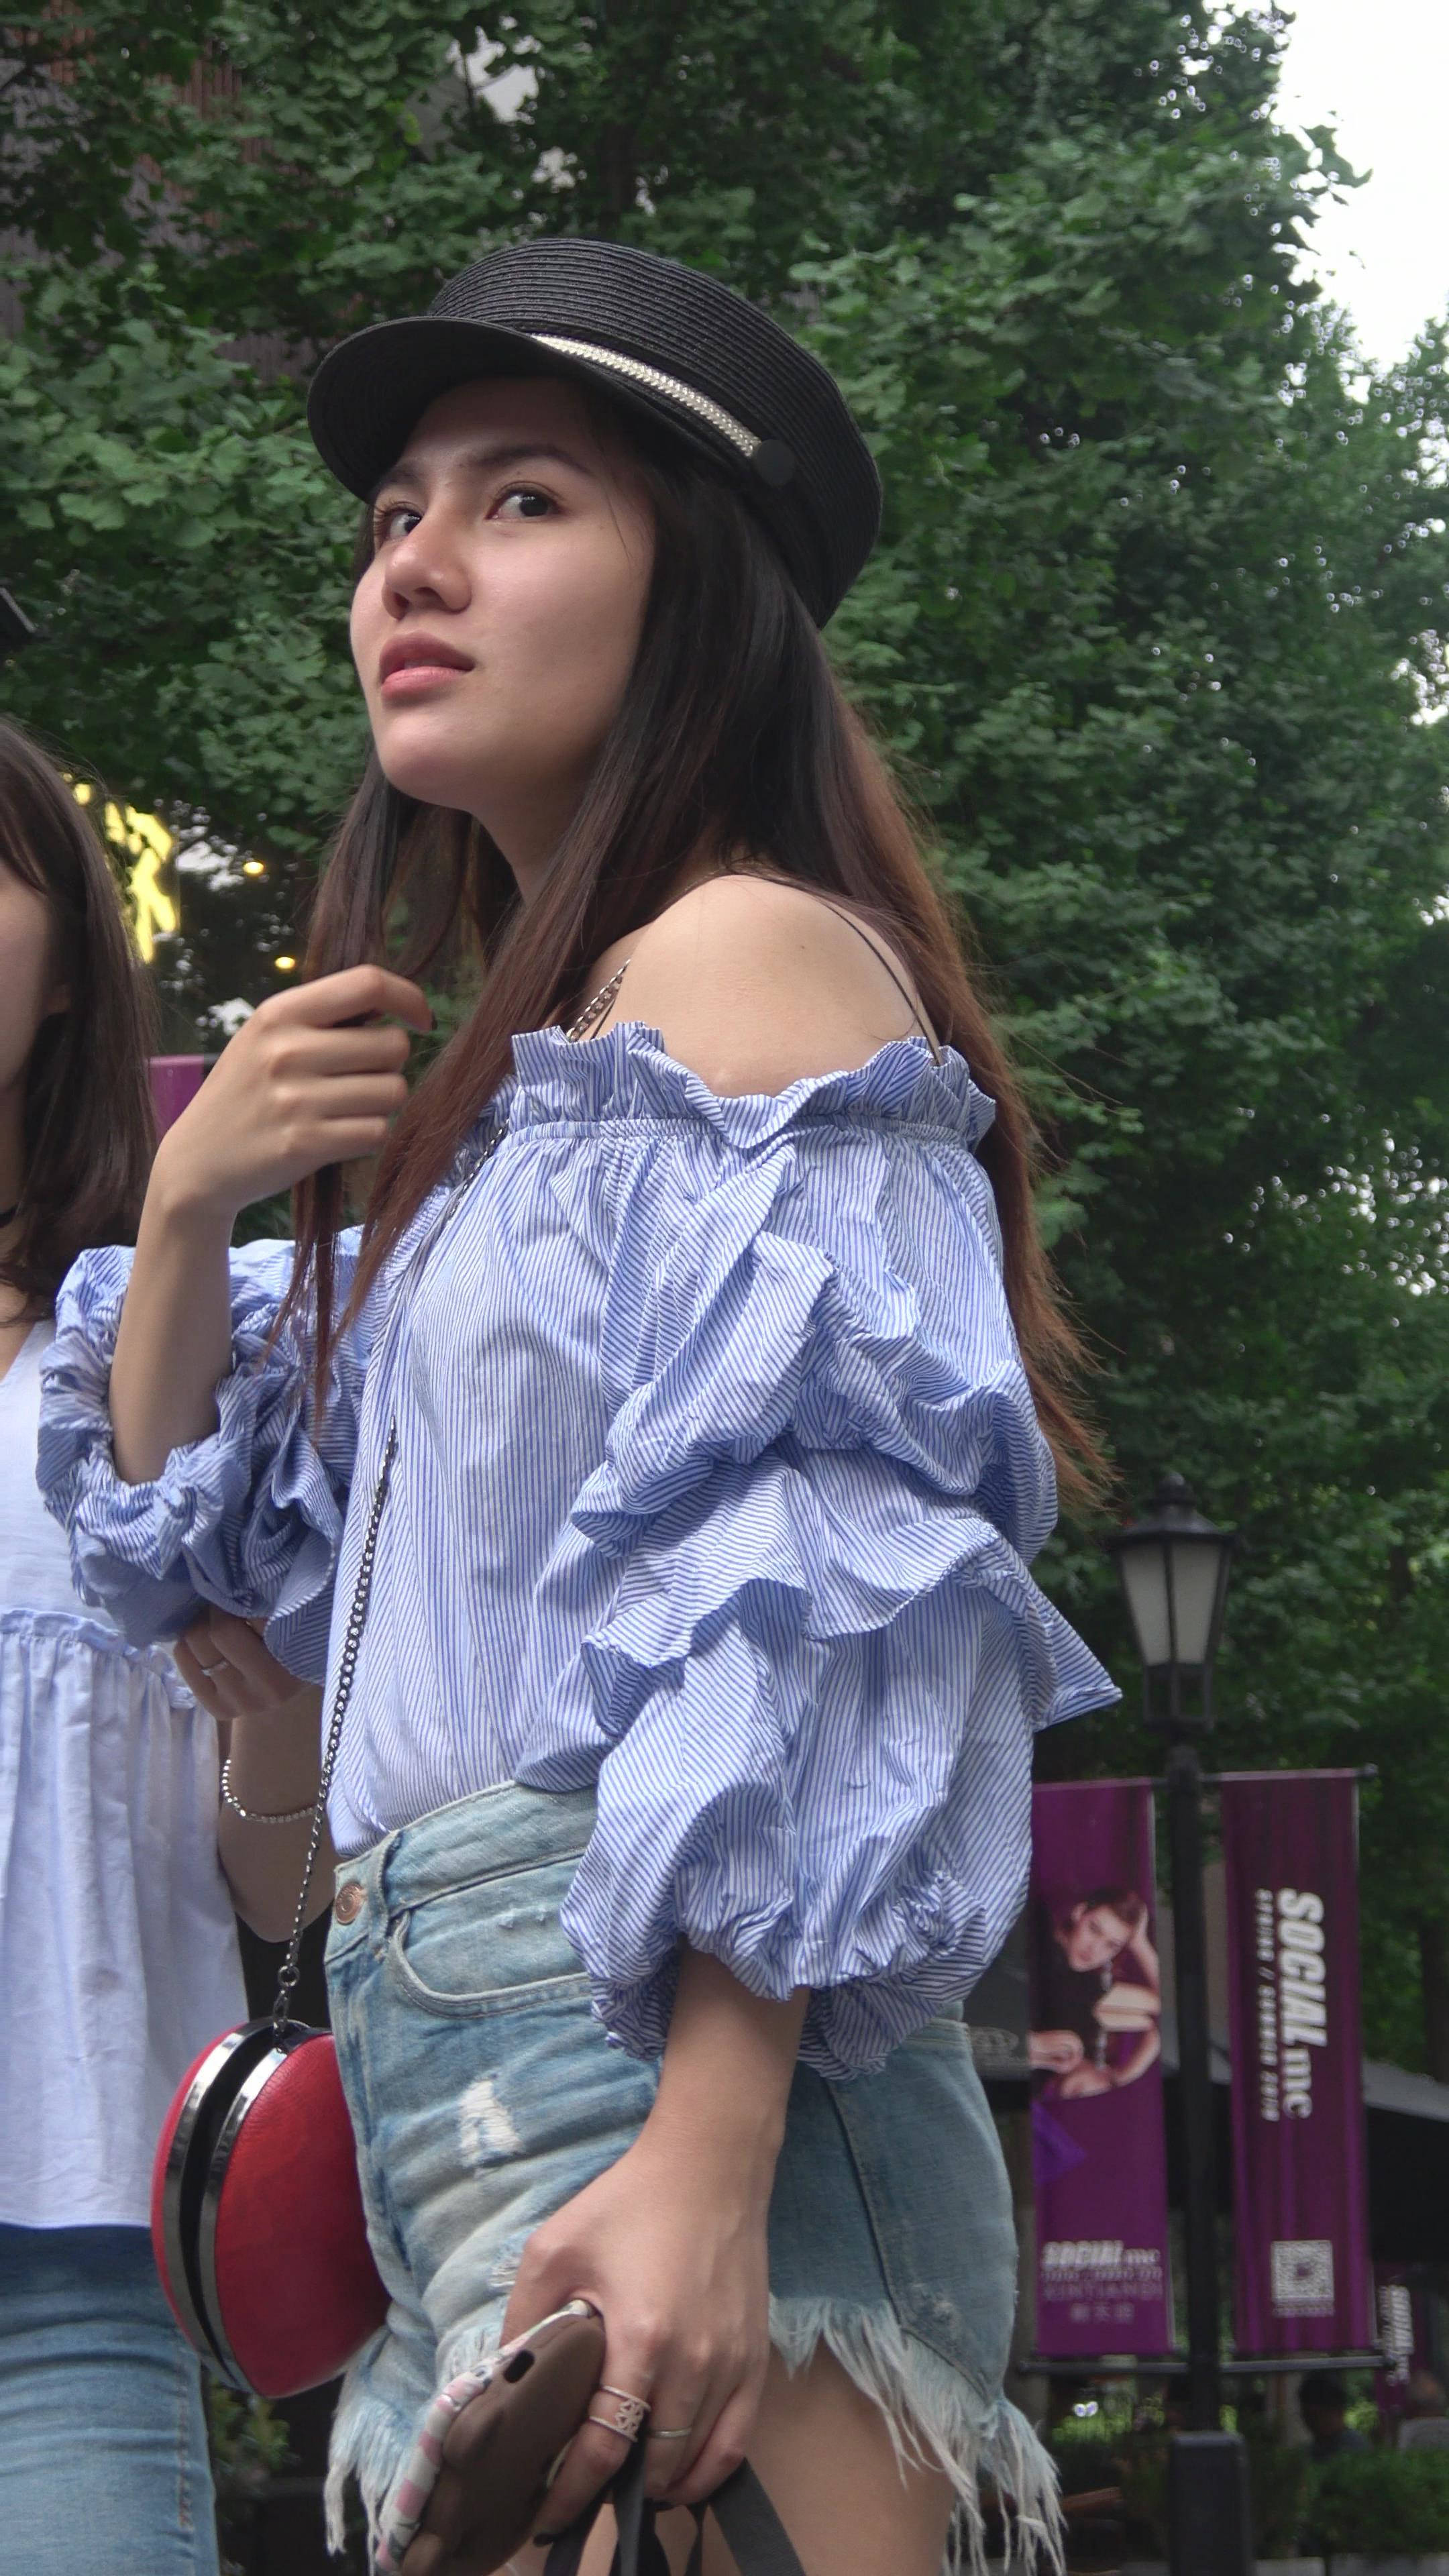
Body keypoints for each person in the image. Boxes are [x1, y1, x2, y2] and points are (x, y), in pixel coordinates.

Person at [40, 237, 1118, 2576]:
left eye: (521, 499)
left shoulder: (739, 957)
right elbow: (189, 1565)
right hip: (467, 2100)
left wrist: (710, 2153)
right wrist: (199, 1204)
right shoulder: (506, 1120)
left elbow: (825, 1568)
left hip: (665, 2067)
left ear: (697, 586)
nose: (413, 566)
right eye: (393, 517)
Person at [0, 720, 248, 2576]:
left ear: (71, 958)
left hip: (74, 2270)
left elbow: (288, 1867)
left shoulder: (168, 1344)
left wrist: (282, 1733)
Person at [1028, 1886, 1163, 2096]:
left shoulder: (1086, 1982)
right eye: (1094, 1929)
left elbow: (1160, 2004)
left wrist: (1139, 1943)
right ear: (1079, 1912)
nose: (1095, 1950)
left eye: (1112, 1945)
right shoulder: (1038, 1945)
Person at [1299, 2375, 1368, 2463]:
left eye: (1316, 2416)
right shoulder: (1314, 2449)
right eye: (1307, 2415)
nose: (1312, 2423)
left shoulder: (1354, 2446)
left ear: (1339, 2411)